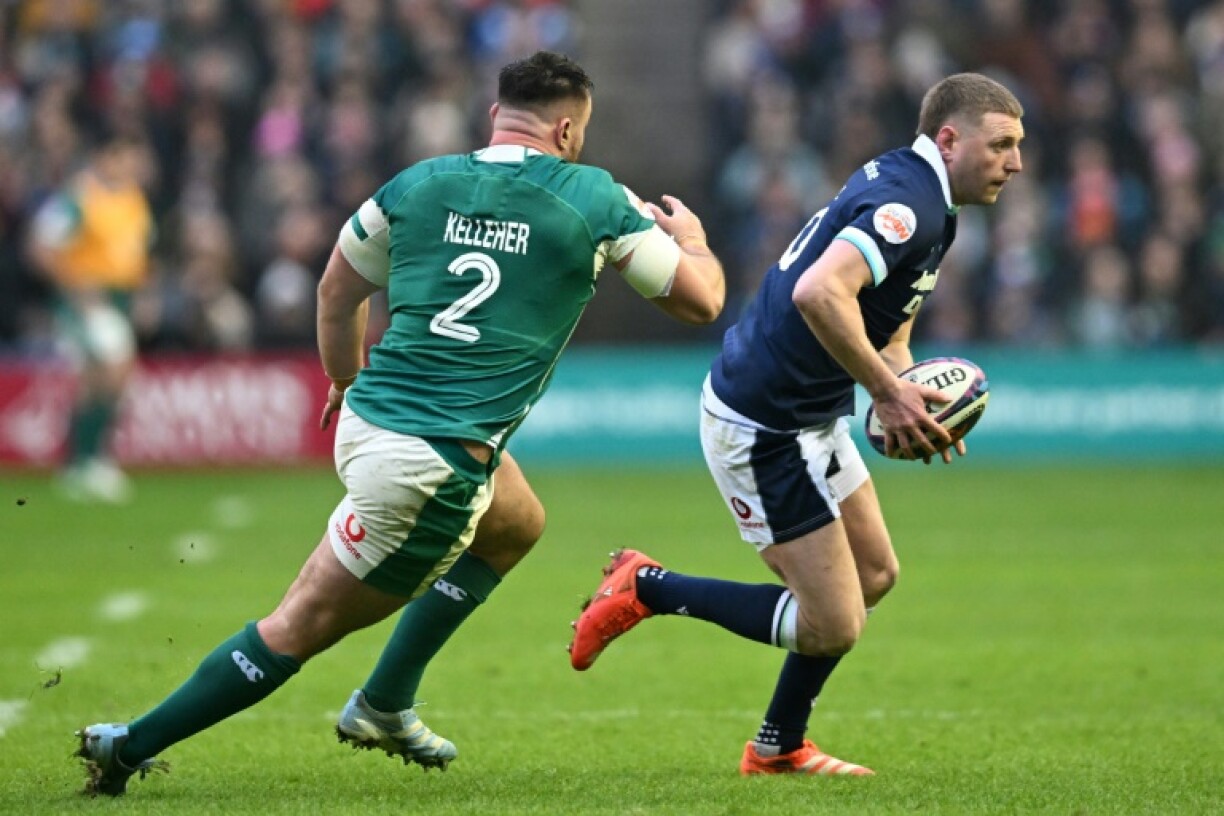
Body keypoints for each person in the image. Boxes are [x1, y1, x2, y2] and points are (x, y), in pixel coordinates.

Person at [75, 50, 725, 796]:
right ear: (569, 128)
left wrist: (342, 378)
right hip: (431, 468)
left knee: (515, 520)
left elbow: (335, 289)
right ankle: (128, 748)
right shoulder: (592, 197)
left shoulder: (418, 183)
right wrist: (695, 241)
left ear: (494, 117)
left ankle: (385, 701)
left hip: (372, 417)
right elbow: (701, 302)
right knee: (300, 624)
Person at [569, 73, 1024, 775]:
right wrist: (885, 390)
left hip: (809, 413)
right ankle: (647, 587)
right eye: (1002, 145)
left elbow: (889, 325)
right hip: (763, 423)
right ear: (949, 138)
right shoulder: (910, 206)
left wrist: (903, 390)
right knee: (833, 622)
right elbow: (819, 292)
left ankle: (778, 746)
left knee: (873, 575)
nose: (1015, 162)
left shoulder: (928, 198)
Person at [26, 131, 155, 503]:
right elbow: (41, 246)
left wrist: (145, 294)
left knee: (103, 380)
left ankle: (81, 461)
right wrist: (77, 287)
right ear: (104, 158)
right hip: (89, 298)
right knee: (112, 370)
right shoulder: (80, 197)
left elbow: (136, 254)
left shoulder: (133, 199)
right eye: (125, 157)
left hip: (121, 298)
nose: (132, 165)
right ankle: (89, 460)